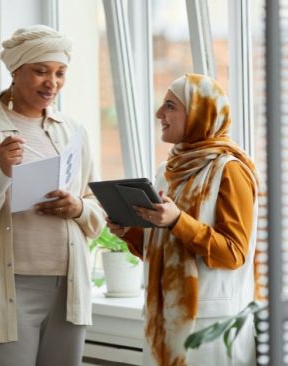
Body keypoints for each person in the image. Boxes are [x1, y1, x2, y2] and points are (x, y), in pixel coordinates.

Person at [0, 25, 105, 366]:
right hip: (1, 290)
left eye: (60, 73)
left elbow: (96, 208)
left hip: (67, 291)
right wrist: (0, 176)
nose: (51, 83)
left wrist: (78, 208)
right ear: (15, 71)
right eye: (40, 71)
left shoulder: (72, 130)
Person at [107, 73, 259, 366]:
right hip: (163, 318)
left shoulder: (230, 170)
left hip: (211, 327)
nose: (158, 114)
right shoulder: (168, 170)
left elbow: (234, 253)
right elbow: (160, 247)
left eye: (170, 106)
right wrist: (129, 232)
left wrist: (178, 221)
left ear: (199, 114)